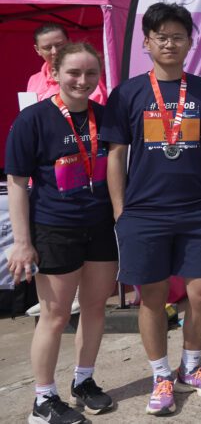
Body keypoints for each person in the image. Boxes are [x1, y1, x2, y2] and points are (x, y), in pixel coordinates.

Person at [100, 2, 201, 416]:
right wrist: (121, 210)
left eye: (178, 36)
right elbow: (116, 155)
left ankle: (191, 366)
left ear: (190, 42)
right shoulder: (129, 93)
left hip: (197, 210)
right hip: (144, 212)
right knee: (152, 298)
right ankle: (161, 374)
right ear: (147, 43)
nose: (170, 43)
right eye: (161, 37)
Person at [6, 42, 117, 424]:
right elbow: (18, 182)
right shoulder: (33, 119)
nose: (82, 81)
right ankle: (43, 400)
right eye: (74, 73)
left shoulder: (106, 117)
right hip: (55, 228)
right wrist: (22, 242)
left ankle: (83, 381)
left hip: (101, 227)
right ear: (55, 73)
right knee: (54, 315)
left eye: (90, 73)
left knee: (95, 308)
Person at [26, 23, 107, 103]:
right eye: (47, 48)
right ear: (37, 49)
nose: (54, 51)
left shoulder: (85, 74)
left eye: (59, 45)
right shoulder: (34, 79)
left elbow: (95, 107)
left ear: (69, 42)